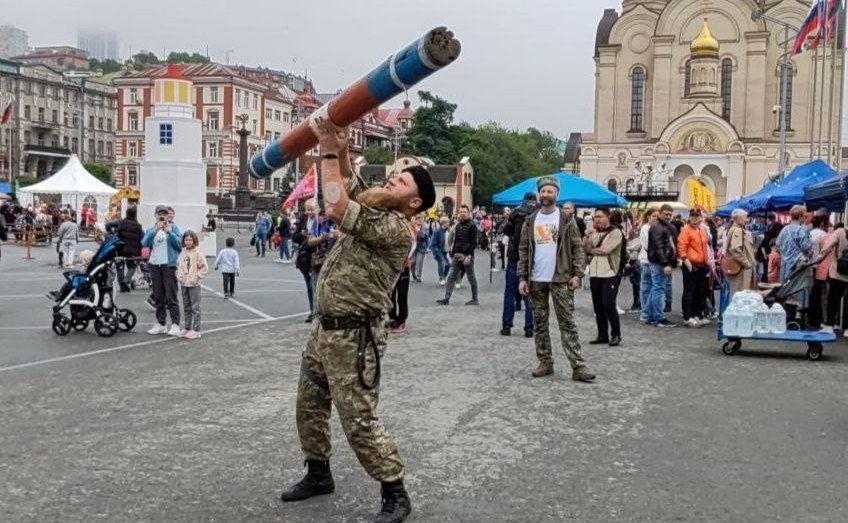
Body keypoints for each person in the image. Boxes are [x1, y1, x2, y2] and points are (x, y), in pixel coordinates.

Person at [280, 118, 435, 523]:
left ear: (414, 203)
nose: (393, 181)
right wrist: (343, 150)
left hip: (355, 334)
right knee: (308, 404)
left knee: (359, 420)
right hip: (325, 328)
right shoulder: (377, 204)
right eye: (395, 176)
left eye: (401, 183)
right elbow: (350, 183)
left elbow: (335, 203)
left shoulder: (395, 227)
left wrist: (328, 151)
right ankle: (318, 473)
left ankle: (395, 491)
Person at [518, 176, 595, 382]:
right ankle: (545, 361)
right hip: (536, 279)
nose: (545, 195)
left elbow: (578, 248)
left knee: (567, 322)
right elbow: (523, 250)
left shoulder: (566, 220)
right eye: (543, 191)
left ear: (556, 194)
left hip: (561, 278)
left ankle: (578, 365)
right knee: (540, 322)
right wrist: (522, 277)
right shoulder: (530, 220)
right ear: (539, 193)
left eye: (550, 191)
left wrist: (578, 274)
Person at [584, 207, 624, 346]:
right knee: (598, 306)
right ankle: (602, 334)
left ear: (608, 217)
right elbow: (585, 249)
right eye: (595, 217)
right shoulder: (595, 233)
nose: (597, 219)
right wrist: (587, 237)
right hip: (595, 273)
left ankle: (616, 334)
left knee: (609, 304)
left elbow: (605, 250)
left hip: (609, 272)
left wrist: (591, 251)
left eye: (600, 216)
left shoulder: (616, 232)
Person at [142, 205, 183, 336]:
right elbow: (144, 243)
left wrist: (169, 232)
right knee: (158, 296)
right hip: (155, 265)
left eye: (164, 214)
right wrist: (155, 230)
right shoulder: (151, 229)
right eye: (160, 214)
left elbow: (179, 245)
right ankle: (161, 323)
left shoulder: (174, 228)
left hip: (169, 265)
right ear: (155, 215)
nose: (162, 216)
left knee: (171, 296)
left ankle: (176, 324)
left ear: (168, 215)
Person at [500, 192, 536, 337]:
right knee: (530, 294)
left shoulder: (515, 212)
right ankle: (529, 328)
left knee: (509, 292)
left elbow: (506, 230)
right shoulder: (538, 213)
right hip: (532, 257)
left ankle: (507, 326)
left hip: (514, 256)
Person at [436, 205, 479, 306]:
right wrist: (453, 252)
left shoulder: (472, 226)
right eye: (461, 211)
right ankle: (446, 298)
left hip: (466, 256)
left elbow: (474, 242)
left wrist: (469, 256)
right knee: (451, 277)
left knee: (471, 277)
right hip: (457, 255)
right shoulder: (458, 225)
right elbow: (456, 240)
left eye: (464, 211)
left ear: (468, 213)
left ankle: (475, 299)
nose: (462, 213)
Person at [677, 209, 711, 328]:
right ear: (690, 217)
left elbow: (705, 247)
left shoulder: (701, 230)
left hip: (702, 264)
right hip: (691, 264)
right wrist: (687, 261)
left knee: (700, 291)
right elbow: (681, 247)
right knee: (689, 291)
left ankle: (697, 314)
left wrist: (707, 261)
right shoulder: (686, 230)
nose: (696, 219)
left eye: (698, 216)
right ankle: (688, 316)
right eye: (693, 216)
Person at [776, 205, 812, 312]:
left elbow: (777, 245)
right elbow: (807, 248)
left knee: (786, 290)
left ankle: (787, 313)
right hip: (798, 266)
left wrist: (786, 253)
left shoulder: (784, 229)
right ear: (801, 216)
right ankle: (797, 315)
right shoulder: (801, 230)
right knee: (798, 290)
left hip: (785, 266)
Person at [646, 204, 677, 327]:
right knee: (658, 288)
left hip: (659, 261)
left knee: (656, 288)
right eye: (666, 214)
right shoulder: (657, 227)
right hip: (659, 262)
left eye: (670, 214)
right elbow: (659, 247)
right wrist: (665, 264)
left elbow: (666, 245)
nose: (668, 217)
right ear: (659, 213)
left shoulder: (662, 226)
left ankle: (650, 315)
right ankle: (658, 317)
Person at [176, 230, 207, 340]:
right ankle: (187, 327)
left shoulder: (198, 253)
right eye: (186, 239)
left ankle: (196, 330)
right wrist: (179, 276)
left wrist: (196, 276)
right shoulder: (183, 252)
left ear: (194, 240)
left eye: (190, 239)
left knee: (195, 307)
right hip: (184, 283)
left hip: (194, 284)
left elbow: (204, 267)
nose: (188, 241)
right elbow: (179, 265)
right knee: (186, 307)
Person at [107, 205, 144, 292]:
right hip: (133, 250)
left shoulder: (121, 222)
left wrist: (110, 232)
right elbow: (142, 238)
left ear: (126, 213)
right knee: (132, 267)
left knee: (120, 266)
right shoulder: (138, 226)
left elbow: (108, 224)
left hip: (120, 248)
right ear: (135, 215)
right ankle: (126, 281)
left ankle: (122, 286)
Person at [820, 223, 848, 334]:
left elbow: (827, 245)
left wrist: (820, 257)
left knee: (833, 300)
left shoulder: (840, 232)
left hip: (838, 272)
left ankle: (829, 325)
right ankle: (847, 329)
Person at [725, 209, 757, 293]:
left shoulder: (737, 229)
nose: (747, 220)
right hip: (742, 270)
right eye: (745, 218)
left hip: (740, 268)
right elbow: (735, 250)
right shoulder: (738, 230)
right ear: (739, 218)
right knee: (742, 295)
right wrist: (747, 264)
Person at [807, 216, 829, 329]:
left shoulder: (810, 233)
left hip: (810, 265)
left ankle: (811, 316)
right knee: (820, 293)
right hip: (820, 266)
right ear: (822, 223)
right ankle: (818, 317)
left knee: (812, 292)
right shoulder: (823, 235)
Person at [429, 217, 450, 285]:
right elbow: (433, 243)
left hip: (446, 251)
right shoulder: (437, 231)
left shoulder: (448, 230)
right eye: (447, 222)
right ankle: (441, 277)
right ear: (443, 223)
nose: (449, 223)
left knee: (448, 264)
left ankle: (444, 277)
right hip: (439, 251)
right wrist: (436, 250)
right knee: (442, 262)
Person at [411, 216, 429, 283]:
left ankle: (418, 277)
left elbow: (424, 236)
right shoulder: (412, 226)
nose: (420, 221)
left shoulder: (425, 227)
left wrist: (418, 232)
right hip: (413, 247)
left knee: (419, 262)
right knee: (412, 262)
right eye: (418, 219)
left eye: (421, 219)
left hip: (421, 247)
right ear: (415, 220)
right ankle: (414, 275)